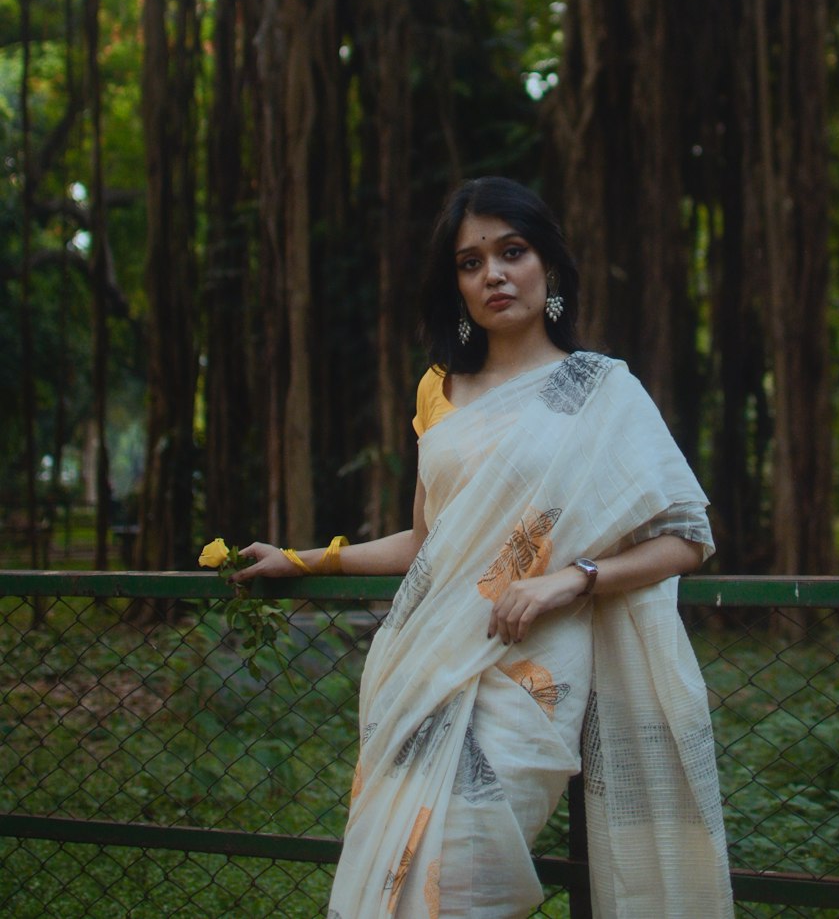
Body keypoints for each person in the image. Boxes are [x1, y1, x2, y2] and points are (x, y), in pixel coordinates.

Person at [233, 177, 733, 918]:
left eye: (513, 251)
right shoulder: (441, 389)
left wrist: (572, 578)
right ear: (457, 285)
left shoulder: (601, 391)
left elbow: (687, 539)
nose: (493, 273)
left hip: (530, 670)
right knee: (396, 885)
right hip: (418, 666)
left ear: (549, 267)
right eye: (471, 262)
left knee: (462, 880)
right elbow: (429, 541)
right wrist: (309, 559)